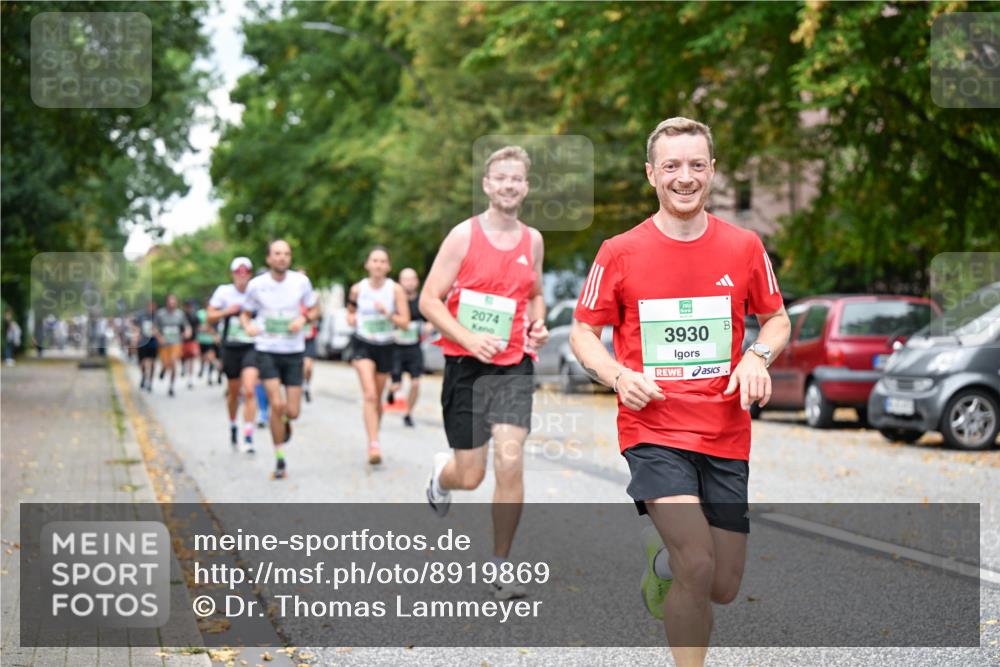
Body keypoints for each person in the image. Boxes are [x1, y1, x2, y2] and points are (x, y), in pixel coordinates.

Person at [568, 117, 791, 667]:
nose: (684, 177)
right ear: (652, 174)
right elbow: (581, 332)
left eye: (696, 164)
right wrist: (619, 376)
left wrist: (756, 355)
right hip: (654, 430)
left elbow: (778, 319)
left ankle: (661, 565)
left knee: (722, 582)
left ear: (712, 171)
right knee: (697, 562)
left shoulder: (743, 247)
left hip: (725, 431)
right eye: (671, 166)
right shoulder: (619, 252)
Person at [421, 145, 549, 600]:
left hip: (514, 363)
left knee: (510, 459)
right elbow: (429, 299)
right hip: (465, 364)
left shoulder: (532, 240)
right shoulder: (462, 236)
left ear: (525, 187)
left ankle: (501, 565)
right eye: (501, 177)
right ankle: (444, 475)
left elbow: (533, 293)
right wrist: (468, 337)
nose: (509, 185)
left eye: (517, 178)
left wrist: (538, 323)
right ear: (487, 185)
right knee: (471, 474)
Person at [240, 240, 320, 479]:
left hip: (294, 350)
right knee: (277, 404)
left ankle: (285, 421)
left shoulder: (301, 282)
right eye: (277, 253)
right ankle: (280, 459)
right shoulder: (256, 285)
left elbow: (315, 310)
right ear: (268, 259)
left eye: (286, 253)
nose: (282, 257)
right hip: (267, 350)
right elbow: (245, 314)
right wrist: (249, 326)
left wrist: (303, 319)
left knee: (292, 411)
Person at [346, 246, 410, 465]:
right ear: (367, 264)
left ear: (388, 266)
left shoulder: (395, 290)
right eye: (375, 260)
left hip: (386, 345)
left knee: (379, 398)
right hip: (363, 343)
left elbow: (404, 323)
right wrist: (351, 318)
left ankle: (374, 433)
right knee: (370, 395)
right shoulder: (357, 289)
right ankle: (373, 444)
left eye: (383, 261)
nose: (379, 265)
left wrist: (388, 313)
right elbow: (351, 311)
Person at [208, 257, 259, 452]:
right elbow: (210, 315)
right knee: (234, 392)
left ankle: (248, 436)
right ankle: (233, 424)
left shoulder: (257, 293)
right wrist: (227, 311)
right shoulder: (223, 292)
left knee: (250, 390)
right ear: (232, 274)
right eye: (238, 272)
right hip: (230, 347)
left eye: (246, 272)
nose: (242, 276)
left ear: (250, 275)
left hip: (251, 346)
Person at [387, 267, 430, 428]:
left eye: (412, 279)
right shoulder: (394, 300)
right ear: (400, 282)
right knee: (397, 384)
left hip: (414, 347)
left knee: (416, 383)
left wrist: (428, 327)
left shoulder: (422, 301)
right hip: (396, 348)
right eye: (405, 279)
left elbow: (432, 318)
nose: (409, 283)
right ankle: (391, 391)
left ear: (417, 282)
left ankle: (408, 413)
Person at [154, 294, 191, 397]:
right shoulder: (160, 314)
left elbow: (186, 326)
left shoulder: (180, 314)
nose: (172, 303)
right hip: (164, 343)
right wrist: (159, 338)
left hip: (176, 342)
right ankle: (163, 369)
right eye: (170, 301)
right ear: (167, 302)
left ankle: (171, 386)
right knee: (166, 363)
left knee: (173, 362)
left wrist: (187, 332)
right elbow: (155, 328)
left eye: (174, 301)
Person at [298, 268, 319, 403]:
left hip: (309, 337)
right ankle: (299, 384)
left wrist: (307, 318)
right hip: (295, 338)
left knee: (308, 367)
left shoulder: (312, 297)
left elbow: (317, 315)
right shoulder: (290, 296)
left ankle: (306, 384)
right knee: (300, 366)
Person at [134, 300, 159, 392]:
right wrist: (136, 335)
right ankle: (144, 376)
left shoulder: (157, 316)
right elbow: (135, 326)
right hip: (143, 341)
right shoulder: (141, 316)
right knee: (142, 362)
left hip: (153, 341)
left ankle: (150, 382)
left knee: (152, 362)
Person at [196, 298, 221, 386]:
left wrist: (213, 333)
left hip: (212, 340)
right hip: (202, 339)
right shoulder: (200, 313)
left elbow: (218, 327)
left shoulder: (217, 314)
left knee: (211, 358)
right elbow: (196, 325)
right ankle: (204, 369)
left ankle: (212, 376)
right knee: (204, 357)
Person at [181, 299, 201, 389]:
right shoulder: (181, 316)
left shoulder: (194, 316)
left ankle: (190, 378)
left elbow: (198, 327)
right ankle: (183, 367)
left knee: (191, 359)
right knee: (183, 357)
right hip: (181, 341)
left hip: (192, 340)